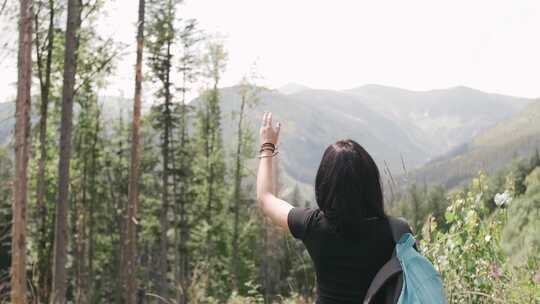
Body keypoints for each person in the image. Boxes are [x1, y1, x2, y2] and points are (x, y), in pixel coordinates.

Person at [256, 112, 395, 304]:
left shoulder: (313, 226)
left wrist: (267, 145)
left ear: (324, 183)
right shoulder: (396, 232)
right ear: (372, 183)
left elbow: (265, 199)